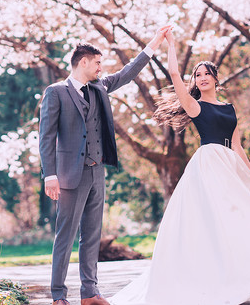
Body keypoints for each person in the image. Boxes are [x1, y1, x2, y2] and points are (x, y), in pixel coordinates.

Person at [108, 28, 250, 305]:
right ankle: (211, 276)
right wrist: (171, 44)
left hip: (228, 163)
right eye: (198, 75)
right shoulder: (195, 106)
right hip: (208, 163)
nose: (202, 78)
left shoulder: (229, 108)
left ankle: (244, 270)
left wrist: (249, 167)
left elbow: (236, 143)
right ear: (196, 82)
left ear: (215, 78)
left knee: (240, 217)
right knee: (213, 220)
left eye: (207, 73)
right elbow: (175, 76)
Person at [39, 25, 171, 305]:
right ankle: (58, 296)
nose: (101, 67)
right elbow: (46, 137)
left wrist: (155, 42)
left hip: (96, 172)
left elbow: (128, 72)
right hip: (68, 176)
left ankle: (90, 293)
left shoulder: (99, 86)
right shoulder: (56, 92)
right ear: (83, 62)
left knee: (92, 235)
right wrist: (49, 174)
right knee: (65, 236)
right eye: (98, 62)